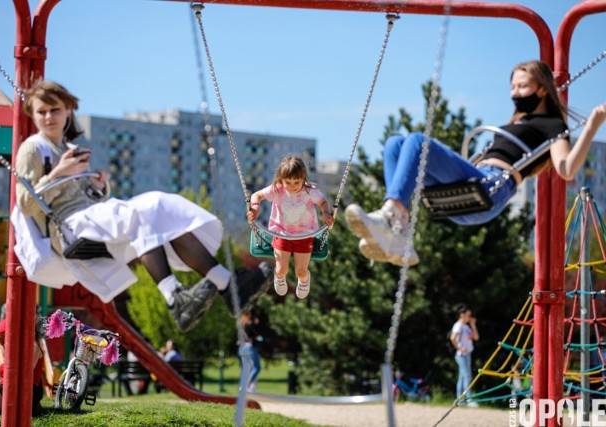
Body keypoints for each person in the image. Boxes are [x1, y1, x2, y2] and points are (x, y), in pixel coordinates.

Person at [13, 80, 272, 332]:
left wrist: (99, 186)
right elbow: (25, 203)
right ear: (33, 115)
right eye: (42, 112)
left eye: (55, 110)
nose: (49, 117)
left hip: (89, 217)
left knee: (162, 212)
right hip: (69, 228)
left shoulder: (69, 148)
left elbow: (86, 197)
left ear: (68, 110)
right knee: (149, 208)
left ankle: (225, 285)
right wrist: (59, 172)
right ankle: (179, 296)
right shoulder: (33, 149)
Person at [345, 60, 606, 266]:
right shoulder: (516, 122)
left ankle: (392, 216)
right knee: (394, 144)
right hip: (474, 182)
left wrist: (592, 126)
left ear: (541, 89)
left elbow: (567, 168)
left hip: (491, 187)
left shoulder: (553, 125)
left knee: (417, 141)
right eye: (512, 87)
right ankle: (398, 230)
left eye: (522, 86)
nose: (515, 93)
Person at [246, 156, 334, 299]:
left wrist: (325, 213)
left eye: (297, 182)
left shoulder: (309, 191)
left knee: (300, 271)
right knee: (281, 270)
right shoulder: (277, 189)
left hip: (304, 235)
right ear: (281, 179)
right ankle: (279, 278)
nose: (292, 185)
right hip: (282, 233)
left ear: (303, 178)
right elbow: (257, 195)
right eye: (288, 182)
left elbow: (323, 202)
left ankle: (304, 280)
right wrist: (255, 208)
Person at [450, 304, 479, 406]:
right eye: (468, 315)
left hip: (467, 354)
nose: (469, 317)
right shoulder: (458, 325)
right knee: (467, 376)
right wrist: (459, 348)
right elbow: (453, 338)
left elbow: (476, 337)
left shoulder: (466, 327)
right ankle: (468, 399)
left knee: (463, 377)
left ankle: (460, 399)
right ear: (462, 315)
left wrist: (473, 325)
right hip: (462, 355)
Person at [239, 310, 263, 392]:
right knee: (257, 367)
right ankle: (248, 386)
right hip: (249, 347)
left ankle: (242, 386)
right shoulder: (249, 323)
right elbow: (255, 335)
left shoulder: (241, 324)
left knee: (245, 368)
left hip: (241, 348)